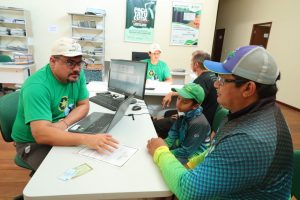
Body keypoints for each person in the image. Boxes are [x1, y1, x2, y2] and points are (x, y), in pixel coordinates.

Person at [147, 45, 293, 199]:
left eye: (223, 80)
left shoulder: (250, 139)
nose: (216, 84)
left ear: (248, 88)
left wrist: (160, 151)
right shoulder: (249, 112)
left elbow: (188, 191)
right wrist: (190, 164)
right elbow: (215, 148)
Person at [11, 38, 119, 171]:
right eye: (70, 63)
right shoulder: (37, 86)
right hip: (32, 142)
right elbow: (41, 134)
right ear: (52, 61)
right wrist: (86, 139)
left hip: (63, 128)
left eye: (79, 63)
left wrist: (64, 124)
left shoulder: (77, 73)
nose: (77, 68)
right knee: (63, 173)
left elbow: (84, 105)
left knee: (90, 163)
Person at [153, 50, 218, 138]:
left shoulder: (201, 80)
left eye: (192, 62)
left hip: (197, 120)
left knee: (156, 124)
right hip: (206, 116)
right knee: (168, 113)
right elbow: (192, 96)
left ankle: (167, 143)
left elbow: (194, 103)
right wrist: (172, 93)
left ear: (196, 64)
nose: (191, 64)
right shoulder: (212, 76)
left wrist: (181, 115)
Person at [164, 83, 210, 165]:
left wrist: (164, 153)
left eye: (184, 102)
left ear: (195, 106)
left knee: (164, 162)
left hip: (193, 157)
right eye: (178, 98)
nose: (178, 103)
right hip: (182, 146)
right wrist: (164, 145)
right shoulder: (183, 112)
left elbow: (187, 151)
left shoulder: (199, 123)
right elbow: (173, 132)